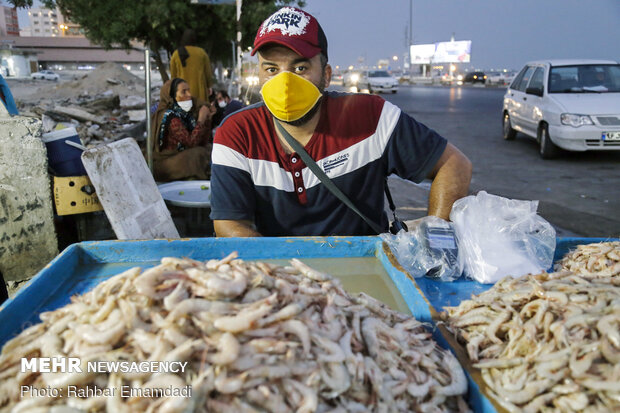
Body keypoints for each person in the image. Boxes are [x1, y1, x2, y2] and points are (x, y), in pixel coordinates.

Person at [210, 7, 472, 237]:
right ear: (258, 73)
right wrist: (281, 276)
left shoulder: (371, 116)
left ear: (326, 75)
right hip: (281, 277)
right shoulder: (235, 133)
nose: (285, 83)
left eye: (300, 68)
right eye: (271, 69)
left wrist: (435, 238)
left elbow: (454, 164)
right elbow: (229, 224)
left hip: (366, 271)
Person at [149, 78, 214, 181]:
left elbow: (203, 141)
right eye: (183, 92)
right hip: (165, 162)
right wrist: (201, 119)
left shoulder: (185, 115)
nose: (189, 95)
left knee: (209, 148)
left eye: (188, 90)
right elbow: (191, 142)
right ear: (172, 96)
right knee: (197, 154)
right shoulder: (169, 116)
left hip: (179, 156)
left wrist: (207, 120)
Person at [170, 29, 213, 102]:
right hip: (199, 93)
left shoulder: (176, 54)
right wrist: (209, 86)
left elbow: (173, 76)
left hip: (182, 94)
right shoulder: (201, 53)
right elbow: (208, 73)